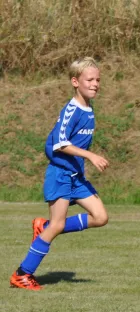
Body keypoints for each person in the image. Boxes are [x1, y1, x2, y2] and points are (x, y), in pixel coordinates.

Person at [9, 57, 109, 291]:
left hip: (75, 176)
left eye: (98, 79)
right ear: (75, 82)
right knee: (57, 225)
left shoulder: (88, 107)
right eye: (89, 80)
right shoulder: (71, 110)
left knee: (100, 217)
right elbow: (59, 144)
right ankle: (22, 274)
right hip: (61, 175)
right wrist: (91, 156)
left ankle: (45, 226)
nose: (95, 84)